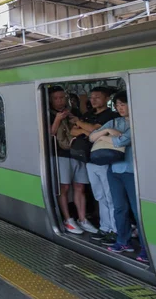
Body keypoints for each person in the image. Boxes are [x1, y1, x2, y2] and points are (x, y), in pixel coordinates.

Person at [89, 91, 148, 263]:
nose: (120, 108)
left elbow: (123, 141)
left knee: (138, 211)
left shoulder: (139, 122)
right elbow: (92, 137)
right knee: (119, 208)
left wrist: (105, 138)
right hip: (114, 170)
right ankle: (123, 241)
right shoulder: (114, 122)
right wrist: (107, 131)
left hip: (133, 171)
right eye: (118, 105)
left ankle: (146, 247)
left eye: (124, 104)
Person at [71, 87, 119, 245]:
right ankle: (105, 227)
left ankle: (115, 229)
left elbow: (94, 129)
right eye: (92, 97)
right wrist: (89, 132)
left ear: (107, 99)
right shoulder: (89, 115)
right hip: (90, 159)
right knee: (99, 196)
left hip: (104, 159)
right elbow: (73, 131)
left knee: (110, 196)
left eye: (98, 97)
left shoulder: (110, 115)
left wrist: (82, 126)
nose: (93, 100)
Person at [49, 86, 97, 235]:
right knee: (64, 188)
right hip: (61, 155)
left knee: (80, 187)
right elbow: (49, 134)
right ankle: (68, 219)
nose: (59, 101)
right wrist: (57, 119)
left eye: (62, 97)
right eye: (56, 98)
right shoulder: (47, 114)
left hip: (78, 154)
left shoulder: (74, 112)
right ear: (50, 100)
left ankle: (82, 219)